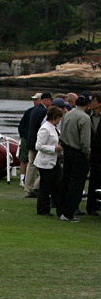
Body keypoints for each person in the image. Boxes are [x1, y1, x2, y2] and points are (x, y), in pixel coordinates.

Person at [57, 94, 92, 222]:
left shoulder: (67, 114)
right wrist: (87, 152)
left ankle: (61, 209)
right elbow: (85, 139)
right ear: (87, 105)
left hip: (67, 150)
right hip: (78, 152)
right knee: (77, 183)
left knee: (66, 180)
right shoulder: (85, 117)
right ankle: (69, 212)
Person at [33, 105, 65, 217]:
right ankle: (42, 209)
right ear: (54, 117)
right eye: (59, 118)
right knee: (45, 187)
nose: (60, 120)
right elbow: (38, 146)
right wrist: (54, 148)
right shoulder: (45, 128)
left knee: (56, 184)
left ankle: (53, 207)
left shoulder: (54, 127)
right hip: (45, 162)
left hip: (53, 160)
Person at [24, 92, 53, 198]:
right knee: (42, 165)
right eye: (50, 100)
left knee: (31, 165)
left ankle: (28, 187)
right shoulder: (44, 111)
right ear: (45, 100)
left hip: (31, 141)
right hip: (38, 142)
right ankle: (35, 187)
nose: (51, 102)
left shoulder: (34, 110)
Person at [16, 94, 41, 187]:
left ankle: (32, 179)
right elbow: (21, 126)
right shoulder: (29, 111)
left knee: (34, 160)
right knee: (24, 159)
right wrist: (23, 136)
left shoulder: (40, 111)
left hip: (36, 139)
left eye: (36, 99)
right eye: (34, 100)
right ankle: (23, 178)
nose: (34, 101)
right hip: (26, 138)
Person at [87, 94, 101, 216]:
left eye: (94, 101)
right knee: (92, 180)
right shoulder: (87, 116)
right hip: (89, 152)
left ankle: (96, 205)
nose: (91, 103)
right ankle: (91, 206)